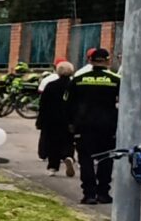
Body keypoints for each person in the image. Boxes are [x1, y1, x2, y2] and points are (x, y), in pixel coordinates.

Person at [75, 46, 123, 205]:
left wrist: (71, 125)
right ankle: (103, 192)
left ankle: (89, 194)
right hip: (108, 126)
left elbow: (68, 104)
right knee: (106, 159)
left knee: (86, 160)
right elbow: (125, 103)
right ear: (108, 61)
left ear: (90, 61)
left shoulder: (79, 79)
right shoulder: (116, 80)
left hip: (84, 126)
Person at [36, 59, 78, 174]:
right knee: (69, 140)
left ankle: (53, 167)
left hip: (52, 119)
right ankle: (68, 156)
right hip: (69, 119)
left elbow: (43, 104)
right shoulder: (75, 85)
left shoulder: (51, 86)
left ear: (58, 72)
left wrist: (40, 121)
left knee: (53, 143)